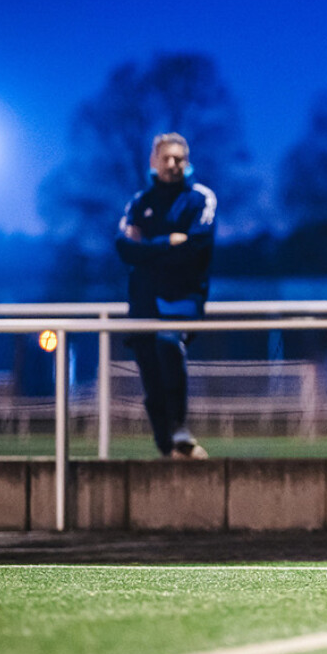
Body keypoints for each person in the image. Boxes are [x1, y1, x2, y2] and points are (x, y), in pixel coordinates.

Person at [115, 133, 217, 459]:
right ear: (153, 161)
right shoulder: (139, 202)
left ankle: (179, 429)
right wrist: (166, 243)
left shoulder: (201, 198)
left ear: (187, 162)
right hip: (143, 299)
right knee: (150, 375)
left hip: (183, 296)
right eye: (167, 158)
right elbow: (124, 248)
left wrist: (149, 249)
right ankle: (168, 449)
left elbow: (196, 247)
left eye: (179, 158)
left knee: (168, 344)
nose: (173, 164)